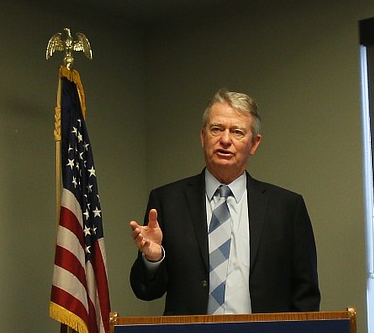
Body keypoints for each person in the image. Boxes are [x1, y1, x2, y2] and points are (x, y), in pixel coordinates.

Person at [128, 89, 320, 315]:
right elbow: (146, 291)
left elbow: (305, 295)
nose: (225, 140)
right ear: (203, 137)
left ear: (254, 144)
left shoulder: (287, 208)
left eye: (237, 132)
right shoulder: (168, 202)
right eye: (216, 129)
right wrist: (153, 258)